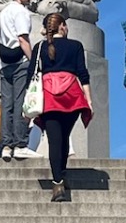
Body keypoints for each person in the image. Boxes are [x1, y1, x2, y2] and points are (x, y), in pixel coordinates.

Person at [27, 12, 93, 203]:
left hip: (49, 96)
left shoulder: (40, 47)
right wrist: (89, 100)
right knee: (64, 137)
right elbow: (83, 73)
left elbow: (31, 74)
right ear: (62, 26)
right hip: (71, 95)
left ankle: (57, 183)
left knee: (54, 140)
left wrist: (28, 101)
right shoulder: (76, 46)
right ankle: (62, 174)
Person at [0, 0, 35, 160]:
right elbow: (23, 39)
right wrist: (34, 61)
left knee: (6, 106)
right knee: (20, 103)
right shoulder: (21, 12)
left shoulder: (3, 12)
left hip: (4, 64)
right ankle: (19, 144)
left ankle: (6, 145)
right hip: (20, 62)